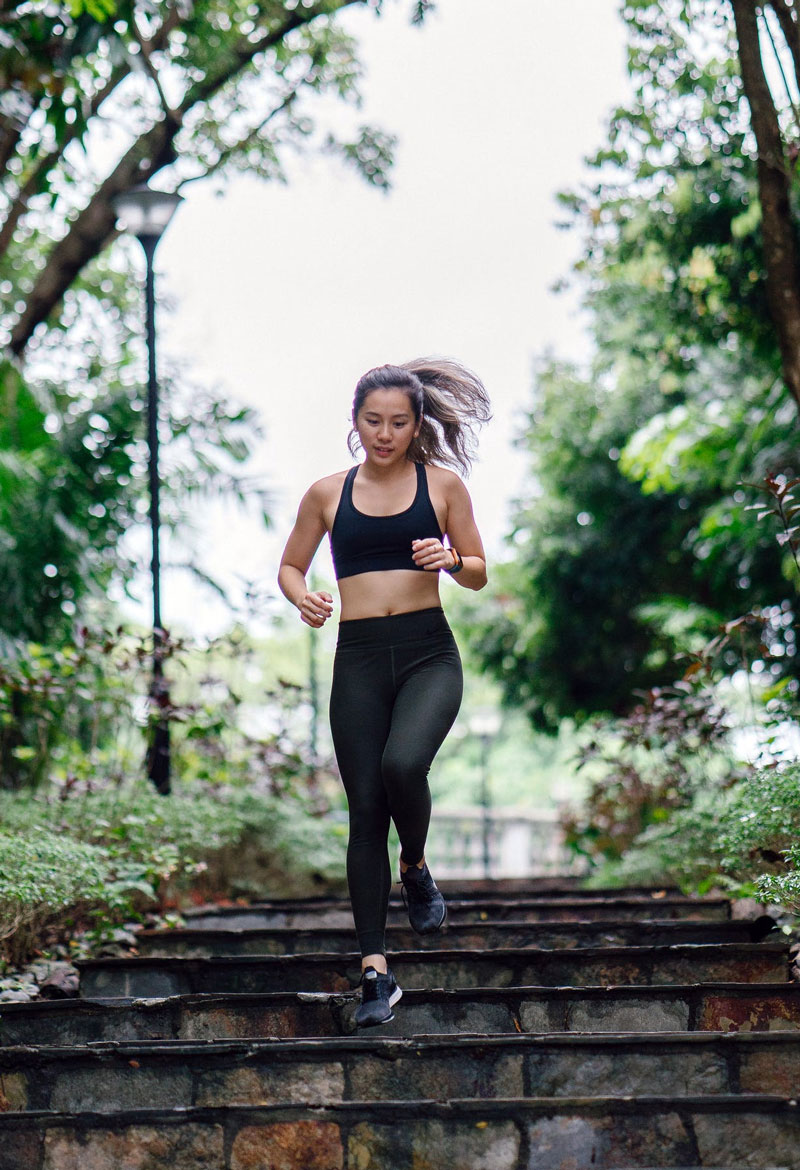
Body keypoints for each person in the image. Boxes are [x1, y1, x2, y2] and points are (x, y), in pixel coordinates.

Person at [278, 358, 490, 1027]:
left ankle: (418, 866)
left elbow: (481, 570)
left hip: (429, 653)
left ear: (417, 423)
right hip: (360, 659)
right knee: (365, 808)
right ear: (355, 421)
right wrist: (303, 597)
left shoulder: (444, 486)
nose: (385, 433)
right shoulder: (326, 494)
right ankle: (375, 973)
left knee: (403, 765)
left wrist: (452, 561)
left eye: (399, 421)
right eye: (373, 421)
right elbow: (289, 565)